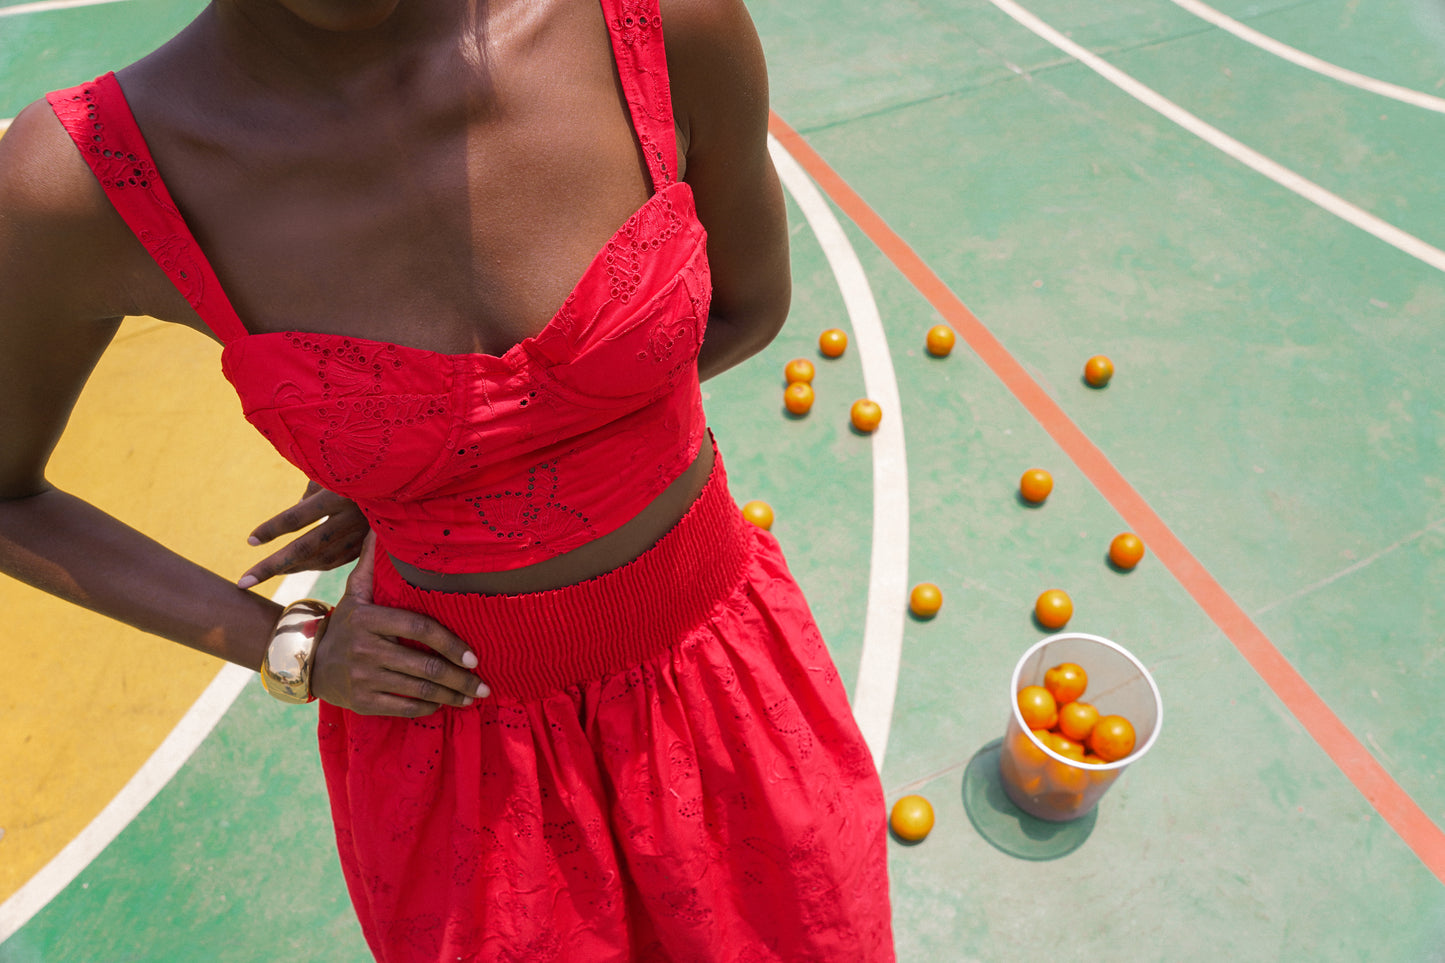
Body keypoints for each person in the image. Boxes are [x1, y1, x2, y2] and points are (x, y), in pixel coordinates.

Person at [0, 0, 895, 959]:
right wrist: (286, 644)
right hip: (467, 769)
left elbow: (746, 306)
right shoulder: (81, 177)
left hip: (722, 698)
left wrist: (470, 464)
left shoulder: (658, 21)